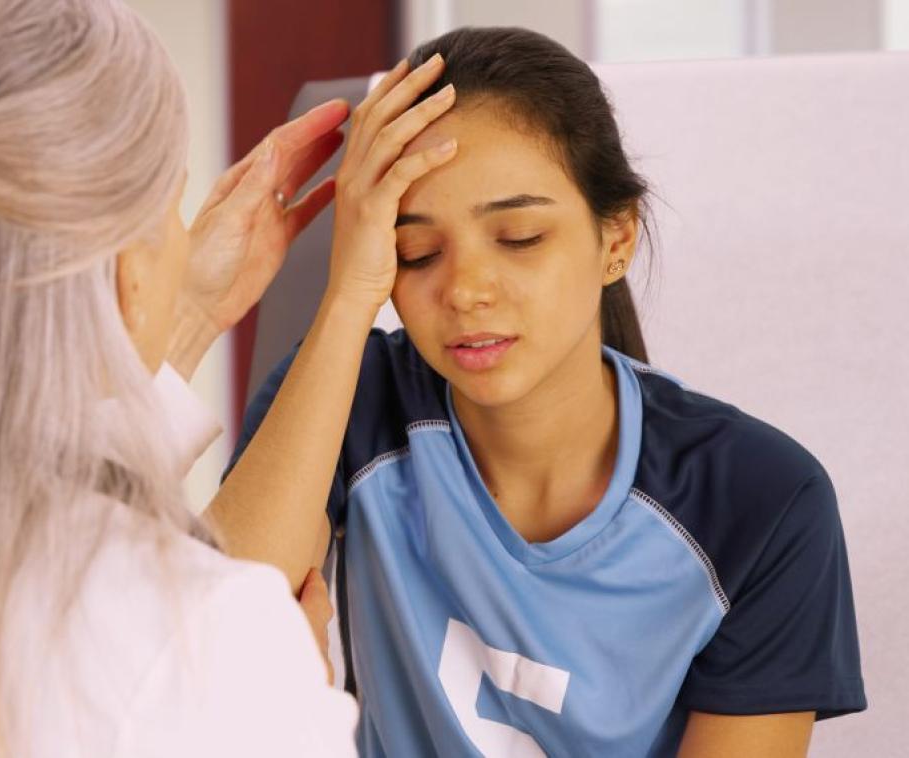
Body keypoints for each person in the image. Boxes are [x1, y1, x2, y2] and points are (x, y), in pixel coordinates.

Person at [217, 27, 867, 757]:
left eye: (519, 237)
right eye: (416, 251)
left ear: (615, 238)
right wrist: (347, 297)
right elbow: (210, 647)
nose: (465, 291)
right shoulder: (352, 402)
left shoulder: (762, 499)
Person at [0, 0, 372, 755]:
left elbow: (27, 467)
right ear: (129, 269)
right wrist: (293, 698)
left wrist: (181, 315)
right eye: (172, 211)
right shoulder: (205, 642)